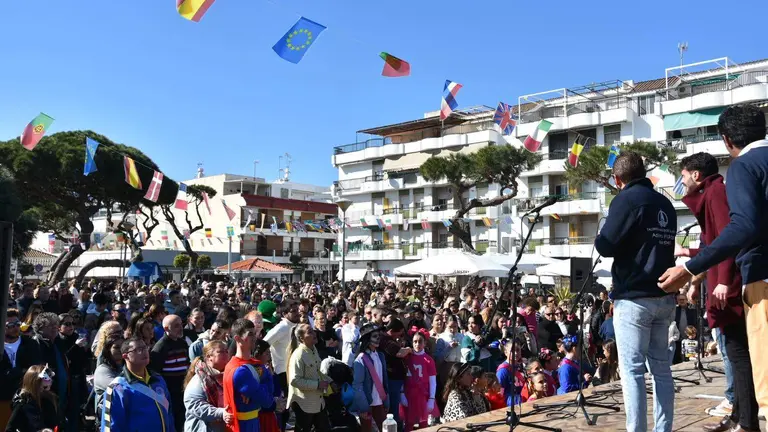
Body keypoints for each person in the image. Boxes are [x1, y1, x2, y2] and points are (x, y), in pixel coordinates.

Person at [658, 105, 768, 417]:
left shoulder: (743, 167)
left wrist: (691, 269)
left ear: (726, 140)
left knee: (763, 376)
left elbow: (739, 228)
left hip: (762, 277)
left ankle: (745, 418)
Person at [673, 151, 759, 431]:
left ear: (696, 175)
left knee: (738, 355)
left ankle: (746, 422)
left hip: (727, 288)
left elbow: (727, 239)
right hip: (722, 284)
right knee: (735, 354)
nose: (682, 182)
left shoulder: (715, 193)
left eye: (683, 175)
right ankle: (738, 415)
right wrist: (690, 251)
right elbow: (715, 243)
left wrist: (723, 280)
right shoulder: (711, 194)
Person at [595, 150, 678, 432]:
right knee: (662, 370)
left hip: (634, 298)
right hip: (664, 296)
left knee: (632, 371)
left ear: (618, 179)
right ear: (644, 173)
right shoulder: (665, 203)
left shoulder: (625, 200)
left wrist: (602, 231)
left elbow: (606, 246)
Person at [101, 337, 175, 432]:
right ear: (125, 356)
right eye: (138, 349)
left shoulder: (158, 380)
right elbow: (111, 427)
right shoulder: (118, 388)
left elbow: (169, 415)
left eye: (145, 348)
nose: (144, 352)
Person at [223, 318, 274, 432]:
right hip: (244, 425)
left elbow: (270, 392)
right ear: (238, 338)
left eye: (255, 333)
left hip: (254, 421)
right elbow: (267, 401)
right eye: (250, 334)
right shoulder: (239, 370)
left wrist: (257, 385)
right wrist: (261, 383)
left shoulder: (254, 364)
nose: (255, 337)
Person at [0, 309, 41, 430]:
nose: (16, 328)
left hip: (25, 398)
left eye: (17, 324)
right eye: (10, 325)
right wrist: (20, 371)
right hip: (3, 398)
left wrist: (12, 373)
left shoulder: (30, 344)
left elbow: (35, 369)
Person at [263, 300, 299, 431]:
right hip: (282, 372)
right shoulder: (281, 328)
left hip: (294, 371)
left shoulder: (297, 326)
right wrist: (268, 363)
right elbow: (263, 343)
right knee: (283, 407)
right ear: (284, 313)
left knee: (292, 406)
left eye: (297, 310)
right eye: (293, 311)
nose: (297, 313)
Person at [150, 314, 191, 432]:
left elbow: (186, 364)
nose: (181, 328)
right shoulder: (160, 347)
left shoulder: (182, 343)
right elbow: (155, 371)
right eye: (176, 326)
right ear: (167, 329)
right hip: (169, 392)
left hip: (183, 390)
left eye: (181, 325)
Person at [183, 340, 234, 432]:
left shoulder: (227, 376)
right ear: (209, 357)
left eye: (227, 351)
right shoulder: (200, 380)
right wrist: (220, 412)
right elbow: (194, 404)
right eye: (221, 351)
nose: (226, 353)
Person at [286, 323, 329, 432]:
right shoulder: (298, 355)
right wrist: (317, 385)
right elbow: (295, 380)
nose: (314, 334)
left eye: (313, 331)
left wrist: (330, 381)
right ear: (301, 338)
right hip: (304, 404)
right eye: (310, 332)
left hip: (318, 402)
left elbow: (318, 371)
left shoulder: (313, 349)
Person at [352, 324, 388, 432]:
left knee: (384, 428)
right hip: (367, 402)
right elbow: (357, 385)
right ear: (367, 339)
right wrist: (363, 407)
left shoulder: (380, 356)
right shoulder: (360, 359)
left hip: (379, 401)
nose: (378, 338)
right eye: (374, 336)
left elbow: (384, 380)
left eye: (379, 336)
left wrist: (387, 401)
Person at [401, 328, 437, 432]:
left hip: (422, 394)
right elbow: (403, 377)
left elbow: (433, 382)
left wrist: (431, 399)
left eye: (420, 341)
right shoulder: (407, 357)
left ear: (425, 343)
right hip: (409, 394)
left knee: (423, 422)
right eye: (415, 342)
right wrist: (402, 393)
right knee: (408, 422)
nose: (417, 344)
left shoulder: (429, 360)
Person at [5, 365, 61, 432]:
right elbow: (9, 429)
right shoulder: (22, 403)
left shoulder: (50, 399)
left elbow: (57, 423)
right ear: (34, 385)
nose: (48, 390)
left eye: (49, 386)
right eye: (45, 387)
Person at [93, 335, 124, 417]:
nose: (121, 350)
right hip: (109, 419)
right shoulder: (102, 370)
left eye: (123, 347)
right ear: (108, 350)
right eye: (116, 347)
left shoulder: (127, 367)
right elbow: (119, 389)